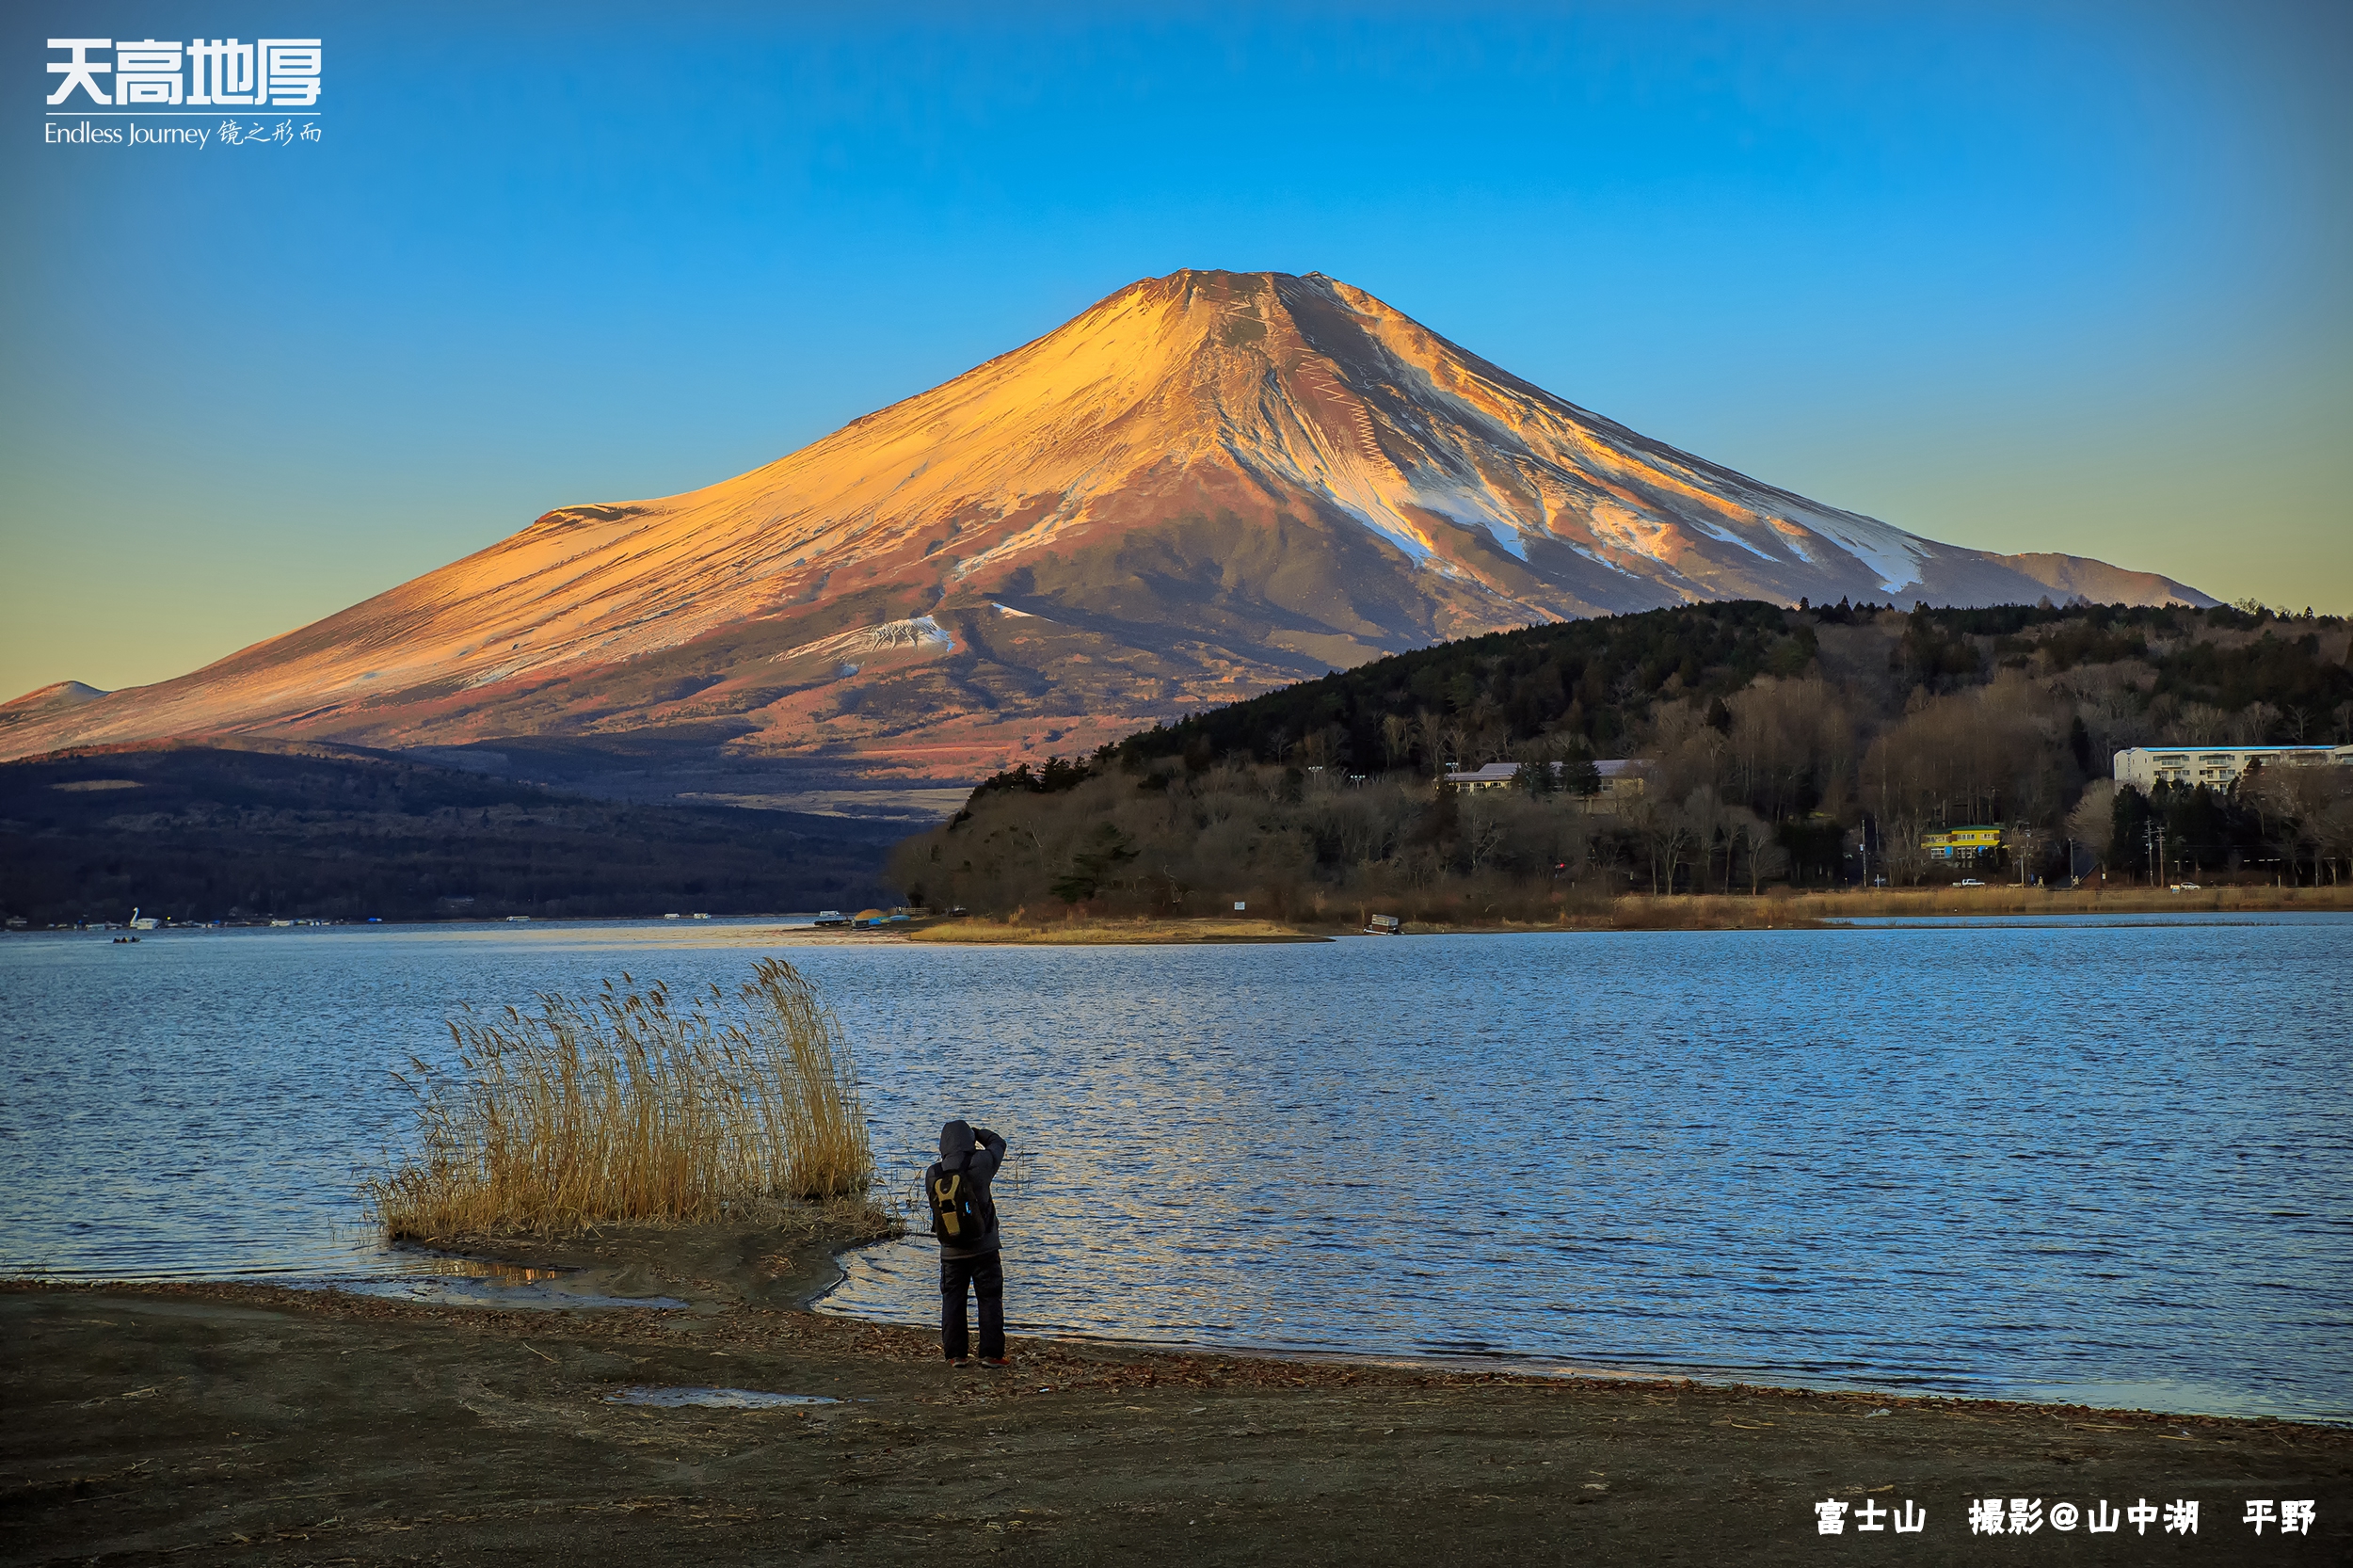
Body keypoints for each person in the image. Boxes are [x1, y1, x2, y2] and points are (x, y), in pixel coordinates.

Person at [925, 1119, 1008, 1367]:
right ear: (969, 1141)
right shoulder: (981, 1163)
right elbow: (998, 1143)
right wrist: (978, 1132)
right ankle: (991, 1355)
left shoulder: (933, 1173)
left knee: (952, 1300)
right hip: (984, 1247)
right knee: (990, 1298)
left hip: (950, 1251)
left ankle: (956, 1356)